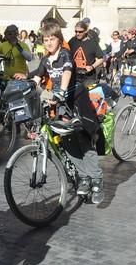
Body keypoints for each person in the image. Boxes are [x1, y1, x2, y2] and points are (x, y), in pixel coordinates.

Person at [29, 21, 104, 204]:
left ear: (59, 39)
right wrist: (27, 84)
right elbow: (38, 76)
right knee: (68, 141)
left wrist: (61, 90)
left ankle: (97, 180)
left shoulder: (65, 54)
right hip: (62, 105)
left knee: (84, 141)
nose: (48, 43)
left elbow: (67, 72)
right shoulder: (46, 59)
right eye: (45, 39)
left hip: (78, 102)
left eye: (52, 39)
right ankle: (83, 177)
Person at [68, 20, 104, 87]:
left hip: (89, 78)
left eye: (80, 32)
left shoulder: (92, 43)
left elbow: (101, 58)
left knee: (90, 96)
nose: (77, 33)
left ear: (85, 31)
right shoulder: (72, 41)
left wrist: (92, 67)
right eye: (76, 31)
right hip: (74, 76)